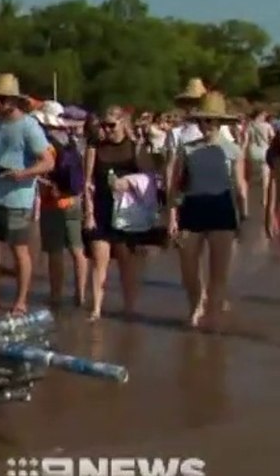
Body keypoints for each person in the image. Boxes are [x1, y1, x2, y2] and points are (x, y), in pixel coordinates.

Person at [0, 75, 54, 315]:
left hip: (18, 198)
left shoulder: (29, 126)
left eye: (2, 99)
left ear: (14, 100)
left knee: (19, 250)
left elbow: (48, 162)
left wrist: (23, 173)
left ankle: (21, 301)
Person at [168, 93, 246, 330]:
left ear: (220, 123)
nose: (206, 125)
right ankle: (195, 306)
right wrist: (172, 216)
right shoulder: (187, 148)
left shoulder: (232, 150)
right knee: (188, 267)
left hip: (222, 207)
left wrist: (243, 216)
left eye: (211, 121)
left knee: (218, 272)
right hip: (192, 207)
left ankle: (213, 315)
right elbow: (175, 184)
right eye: (202, 121)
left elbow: (239, 185)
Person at [83, 106, 161, 321]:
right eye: (104, 125)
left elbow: (151, 180)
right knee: (100, 261)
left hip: (128, 212)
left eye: (111, 125)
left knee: (127, 263)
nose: (107, 130)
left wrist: (129, 182)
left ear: (123, 124)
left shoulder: (135, 148)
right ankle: (96, 308)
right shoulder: (94, 148)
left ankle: (129, 307)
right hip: (101, 208)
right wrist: (88, 213)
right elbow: (87, 183)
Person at [32, 101, 88, 307]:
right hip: (74, 200)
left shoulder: (46, 143)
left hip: (53, 202)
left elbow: (42, 170)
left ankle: (56, 294)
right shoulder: (72, 140)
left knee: (55, 251)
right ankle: (80, 294)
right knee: (77, 249)